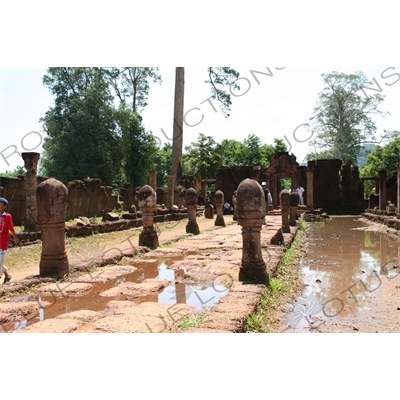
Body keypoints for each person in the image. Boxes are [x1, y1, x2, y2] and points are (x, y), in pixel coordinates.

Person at [0, 197, 18, 284]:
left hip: (3, 239)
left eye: (0, 203)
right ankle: (7, 276)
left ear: (4, 206)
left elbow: (11, 227)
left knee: (0, 258)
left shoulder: (7, 216)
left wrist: (15, 237)